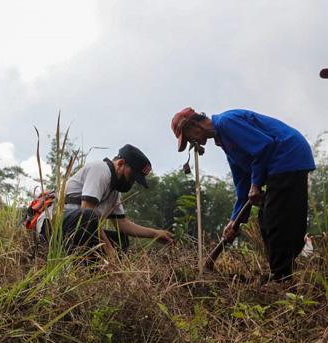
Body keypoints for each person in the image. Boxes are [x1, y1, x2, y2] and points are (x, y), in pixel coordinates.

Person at [171, 107, 315, 281]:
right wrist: (234, 222)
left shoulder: (226, 122)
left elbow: (264, 146)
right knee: (266, 219)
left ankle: (281, 276)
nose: (193, 142)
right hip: (279, 166)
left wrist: (256, 183)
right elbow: (242, 184)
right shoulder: (225, 141)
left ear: (194, 125)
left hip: (288, 157)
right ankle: (280, 271)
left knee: (276, 218)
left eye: (188, 138)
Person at [35, 144, 174, 258]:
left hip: (74, 231)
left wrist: (155, 234)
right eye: (132, 177)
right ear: (121, 163)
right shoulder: (100, 169)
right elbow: (87, 213)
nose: (131, 182)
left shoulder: (114, 192)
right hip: (52, 226)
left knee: (121, 240)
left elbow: (123, 224)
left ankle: (91, 270)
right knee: (89, 216)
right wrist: (109, 251)